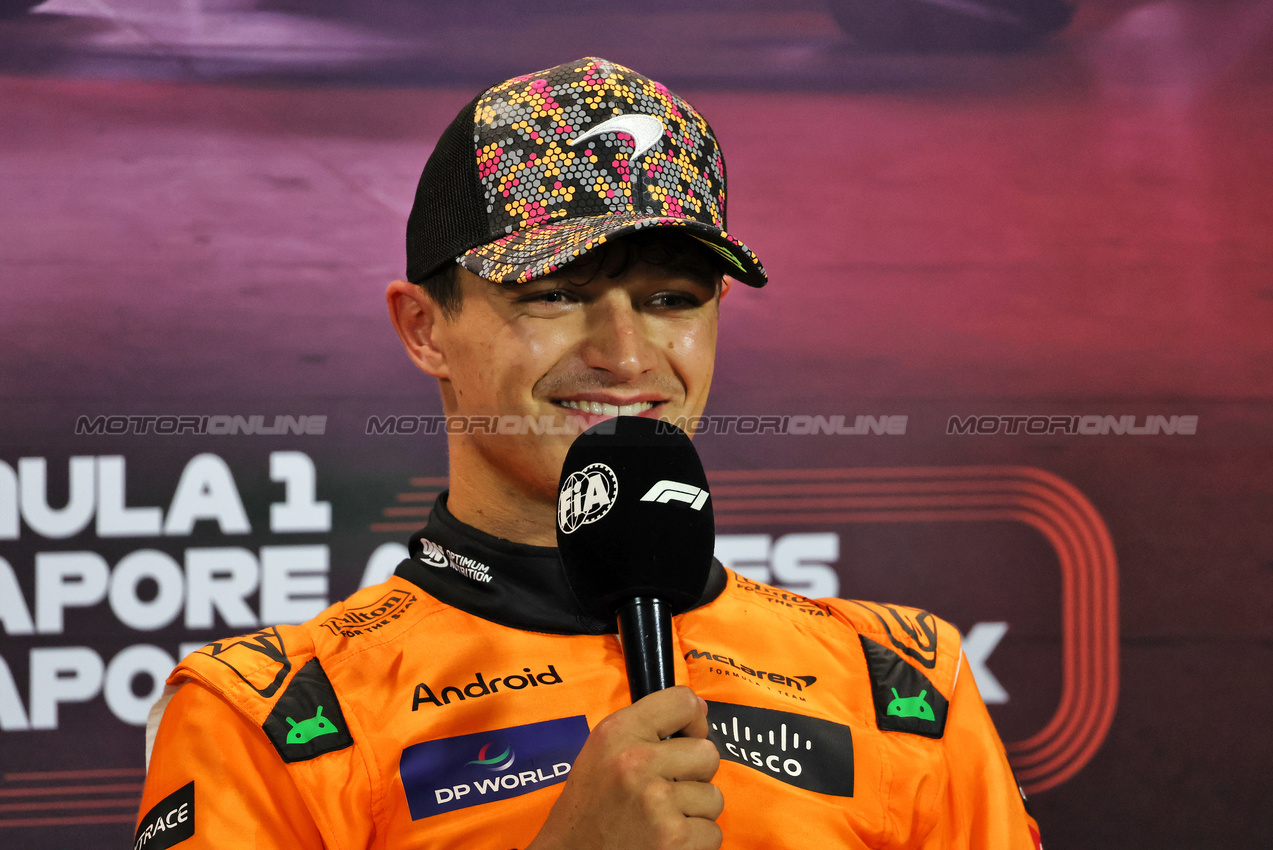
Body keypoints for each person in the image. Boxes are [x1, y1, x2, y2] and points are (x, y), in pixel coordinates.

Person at [135, 57, 1042, 850]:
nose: (625, 354)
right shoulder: (271, 716)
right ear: (423, 329)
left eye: (672, 298)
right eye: (557, 293)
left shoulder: (899, 688)